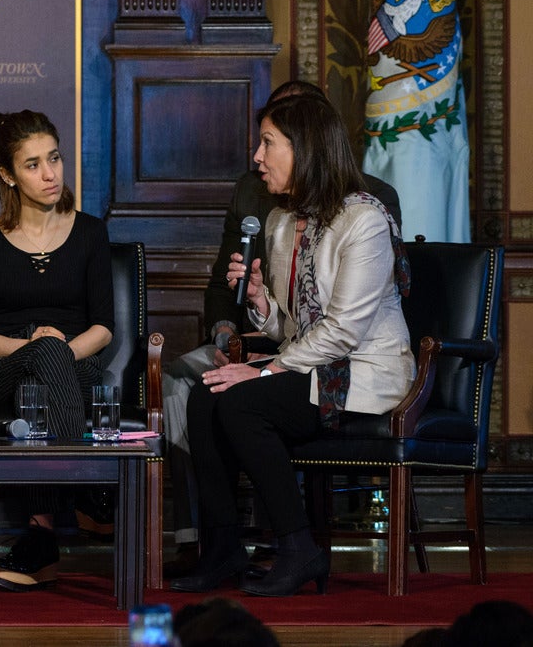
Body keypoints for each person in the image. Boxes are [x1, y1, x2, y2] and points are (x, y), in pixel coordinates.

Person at [171, 92, 414, 597]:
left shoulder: (364, 220)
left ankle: (298, 547)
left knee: (241, 403)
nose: (256, 157)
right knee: (205, 395)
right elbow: (295, 327)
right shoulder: (283, 221)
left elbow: (344, 331)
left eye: (267, 143)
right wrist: (261, 303)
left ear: (304, 149)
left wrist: (263, 372)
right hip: (315, 366)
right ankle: (223, 549)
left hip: (363, 375)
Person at [0, 110, 115, 592]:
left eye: (55, 158)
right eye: (32, 165)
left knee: (41, 380)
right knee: (33, 368)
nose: (50, 174)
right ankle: (87, 490)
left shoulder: (89, 232)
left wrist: (57, 351)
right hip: (3, 364)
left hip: (76, 361)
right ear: (8, 174)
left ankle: (41, 540)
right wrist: (34, 345)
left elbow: (104, 328)